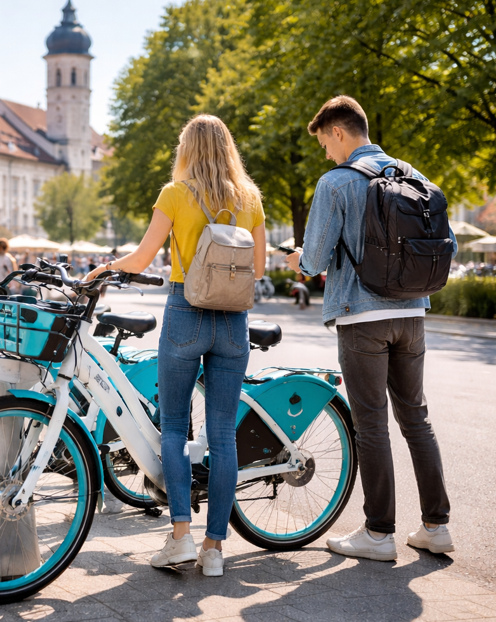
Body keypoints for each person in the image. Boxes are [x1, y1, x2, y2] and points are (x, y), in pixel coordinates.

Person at [86, 115, 266, 576]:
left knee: (174, 427)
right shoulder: (250, 198)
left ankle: (180, 536)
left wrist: (105, 268)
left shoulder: (175, 194)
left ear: (187, 148)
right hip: (233, 322)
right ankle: (214, 550)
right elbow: (259, 269)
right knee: (222, 434)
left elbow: (143, 257)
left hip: (186, 312)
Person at [286, 95, 456, 561]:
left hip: (362, 317)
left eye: (324, 142)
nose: (325, 152)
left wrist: (298, 260)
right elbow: (448, 244)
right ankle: (436, 527)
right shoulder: (415, 176)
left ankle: (379, 534)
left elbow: (316, 260)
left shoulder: (336, 182)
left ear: (339, 132)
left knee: (371, 426)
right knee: (416, 419)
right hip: (412, 313)